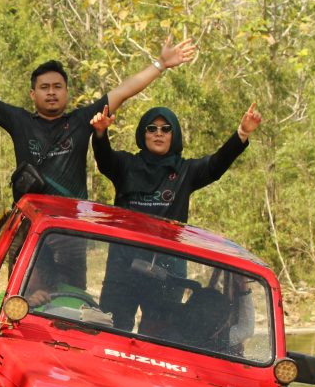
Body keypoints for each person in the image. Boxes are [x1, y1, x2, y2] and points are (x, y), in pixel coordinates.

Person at [0, 37, 198, 202]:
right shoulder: (19, 121)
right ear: (33, 94)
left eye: (57, 87)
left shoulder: (82, 120)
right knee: (23, 294)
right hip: (29, 222)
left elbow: (124, 90)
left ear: (66, 92)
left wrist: (160, 64)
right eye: (44, 87)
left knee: (69, 296)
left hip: (70, 226)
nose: (51, 92)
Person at [89, 102, 263, 333]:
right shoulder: (125, 165)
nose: (158, 133)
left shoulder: (185, 171)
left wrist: (242, 133)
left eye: (166, 129)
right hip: (123, 265)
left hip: (167, 270)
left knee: (160, 336)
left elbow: (215, 165)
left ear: (175, 135)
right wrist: (100, 133)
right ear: (143, 134)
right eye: (152, 128)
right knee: (111, 330)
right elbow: (104, 160)